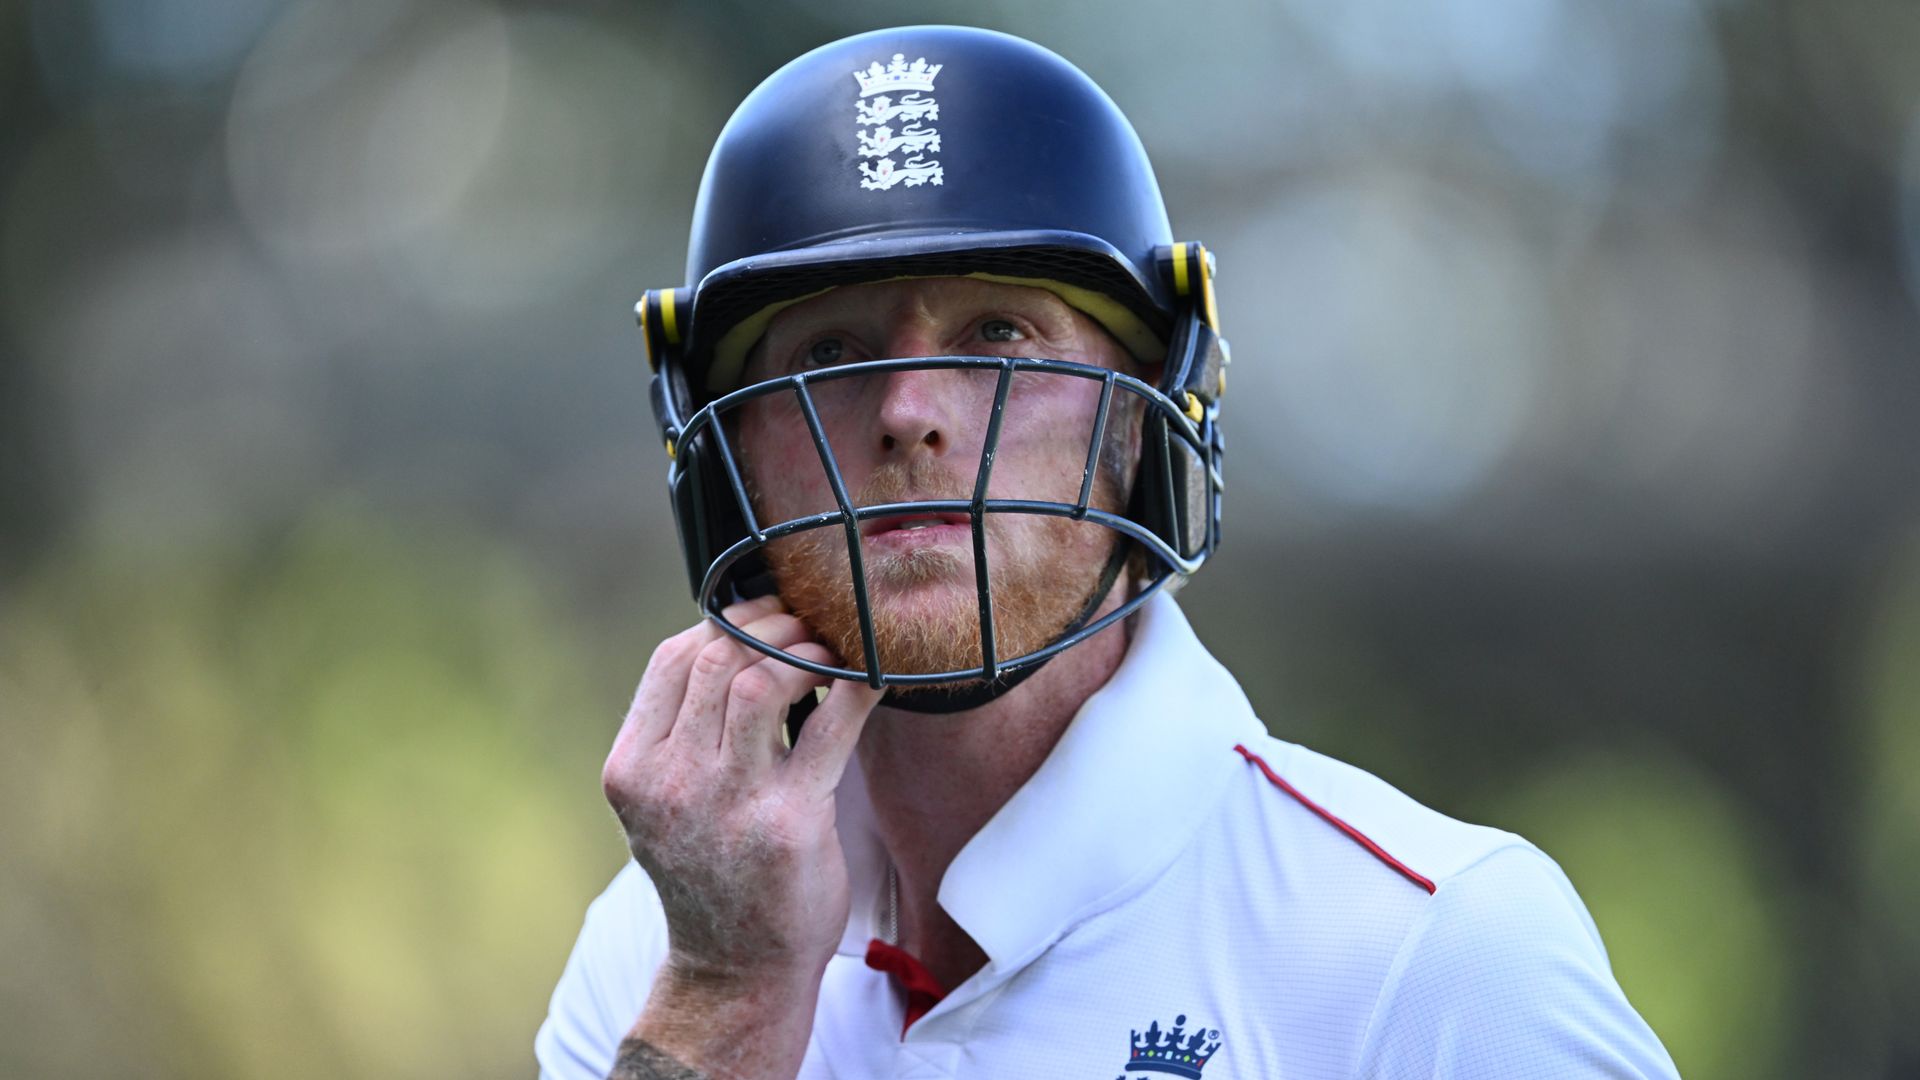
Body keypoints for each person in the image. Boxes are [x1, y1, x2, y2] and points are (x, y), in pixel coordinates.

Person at [538, 25, 1680, 1080]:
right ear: (731, 450)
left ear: (1141, 416)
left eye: (999, 333)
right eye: (830, 352)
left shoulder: (1433, 952)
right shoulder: (667, 944)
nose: (907, 412)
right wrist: (727, 996)